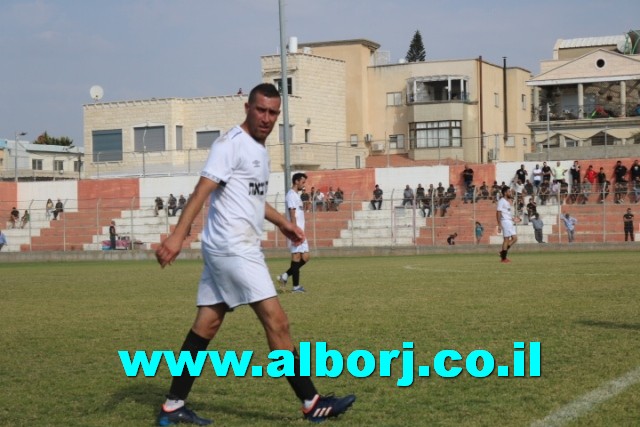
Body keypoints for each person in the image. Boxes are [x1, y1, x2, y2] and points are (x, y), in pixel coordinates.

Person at [154, 83, 355, 426]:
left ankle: (173, 404)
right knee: (277, 322)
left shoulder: (260, 152)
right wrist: (177, 234)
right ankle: (311, 401)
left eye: (273, 112)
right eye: (260, 110)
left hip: (230, 247)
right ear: (247, 107)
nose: (266, 118)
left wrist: (284, 224)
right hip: (233, 248)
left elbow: (252, 200)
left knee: (207, 324)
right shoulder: (229, 145)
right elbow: (203, 189)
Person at [277, 172, 309, 293]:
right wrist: (294, 231)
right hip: (296, 232)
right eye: (302, 182)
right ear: (296, 181)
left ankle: (284, 276)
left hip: (301, 232)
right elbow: (292, 213)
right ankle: (296, 287)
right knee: (296, 257)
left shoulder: (297, 195)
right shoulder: (291, 195)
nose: (303, 185)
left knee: (305, 257)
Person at [496, 186, 519, 263]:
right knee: (506, 240)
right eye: (509, 191)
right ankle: (503, 258)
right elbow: (498, 212)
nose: (510, 193)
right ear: (505, 193)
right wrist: (499, 224)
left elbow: (507, 213)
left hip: (509, 221)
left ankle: (502, 252)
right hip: (505, 222)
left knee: (515, 238)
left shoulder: (507, 202)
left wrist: (513, 219)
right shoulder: (501, 201)